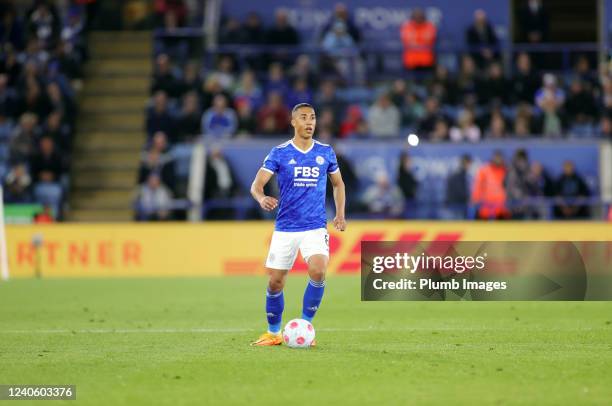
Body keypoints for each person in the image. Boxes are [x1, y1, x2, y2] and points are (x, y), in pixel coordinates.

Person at [249, 103, 346, 346]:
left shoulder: (326, 152)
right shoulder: (279, 152)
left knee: (319, 270)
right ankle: (273, 333)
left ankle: (306, 326)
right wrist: (261, 199)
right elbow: (256, 185)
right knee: (275, 282)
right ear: (293, 122)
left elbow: (338, 184)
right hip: (286, 228)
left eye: (312, 117)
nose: (309, 122)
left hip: (315, 226)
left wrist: (340, 214)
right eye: (303, 118)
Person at [471, 150, 510, 220]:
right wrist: (475, 198)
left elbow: (510, 187)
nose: (498, 160)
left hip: (501, 208)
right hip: (485, 207)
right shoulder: (484, 170)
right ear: (492, 158)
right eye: (496, 158)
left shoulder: (506, 171)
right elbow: (478, 186)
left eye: (500, 158)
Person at [445, 154, 472, 218]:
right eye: (469, 163)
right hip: (457, 206)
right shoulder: (459, 175)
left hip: (456, 204)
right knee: (457, 226)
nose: (470, 166)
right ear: (465, 163)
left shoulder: (460, 173)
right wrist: (469, 199)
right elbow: (460, 191)